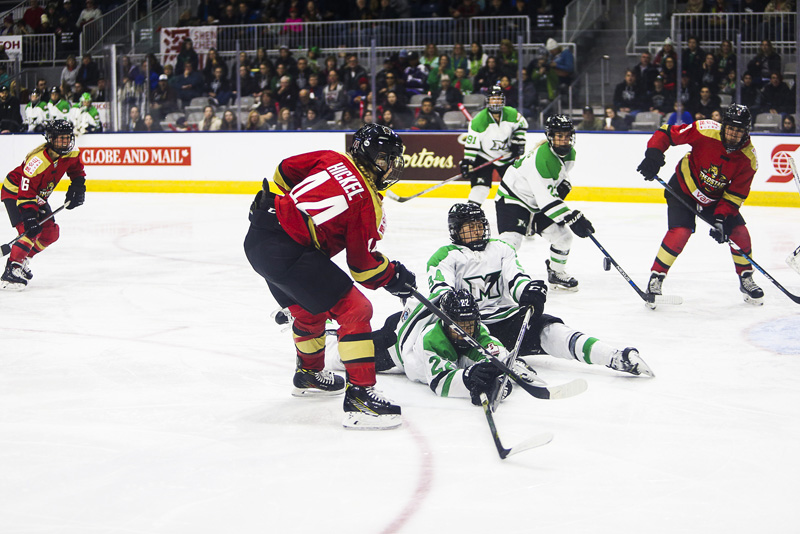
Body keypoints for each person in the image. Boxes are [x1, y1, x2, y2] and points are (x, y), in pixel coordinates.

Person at [243, 124, 415, 429]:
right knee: (356, 310)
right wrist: (394, 275)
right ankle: (361, 398)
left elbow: (284, 172)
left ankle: (309, 374)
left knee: (312, 306)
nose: (390, 166)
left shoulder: (332, 157)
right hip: (287, 252)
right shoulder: (367, 202)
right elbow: (364, 267)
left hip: (259, 236)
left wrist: (299, 215)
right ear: (372, 156)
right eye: (387, 158)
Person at [385, 204, 653, 398]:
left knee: (552, 330)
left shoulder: (501, 248)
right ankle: (509, 367)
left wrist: (529, 292)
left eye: (480, 226)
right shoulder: (445, 256)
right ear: (456, 231)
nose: (476, 232)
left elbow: (516, 279)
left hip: (504, 318)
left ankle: (614, 357)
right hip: (469, 327)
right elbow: (442, 294)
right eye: (469, 228)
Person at [635, 104, 763, 306]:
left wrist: (720, 218)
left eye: (738, 131)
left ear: (747, 132)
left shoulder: (749, 158)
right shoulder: (705, 130)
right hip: (683, 187)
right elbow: (666, 133)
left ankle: (746, 277)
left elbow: (735, 194)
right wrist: (653, 154)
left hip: (715, 199)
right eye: (730, 128)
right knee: (680, 231)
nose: (732, 135)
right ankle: (656, 278)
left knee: (739, 231)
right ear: (723, 125)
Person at [495, 114, 594, 290]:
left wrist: (563, 186)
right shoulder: (541, 158)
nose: (564, 140)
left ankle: (556, 273)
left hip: (536, 202)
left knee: (563, 238)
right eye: (559, 136)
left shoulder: (570, 154)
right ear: (550, 136)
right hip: (513, 198)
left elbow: (554, 183)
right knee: (511, 242)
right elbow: (547, 200)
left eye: (567, 136)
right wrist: (571, 217)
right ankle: (494, 276)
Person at [1, 120, 85, 290]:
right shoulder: (37, 161)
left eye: (68, 138)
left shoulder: (72, 153)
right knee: (30, 229)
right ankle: (12, 268)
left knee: (51, 234)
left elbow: (77, 170)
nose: (65, 142)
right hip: (15, 192)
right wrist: (30, 217)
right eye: (61, 138)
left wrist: (77, 187)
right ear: (51, 139)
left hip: (37, 196)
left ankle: (23, 258)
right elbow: (25, 193)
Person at [461, 84, 528, 205]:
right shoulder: (479, 120)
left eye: (498, 98)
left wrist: (518, 141)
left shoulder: (512, 114)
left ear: (503, 100)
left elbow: (522, 125)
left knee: (517, 188)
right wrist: (468, 161)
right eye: (493, 98)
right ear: (488, 101)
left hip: (506, 156)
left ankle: (522, 212)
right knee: (480, 187)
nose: (496, 101)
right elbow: (472, 143)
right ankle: (471, 212)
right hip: (484, 156)